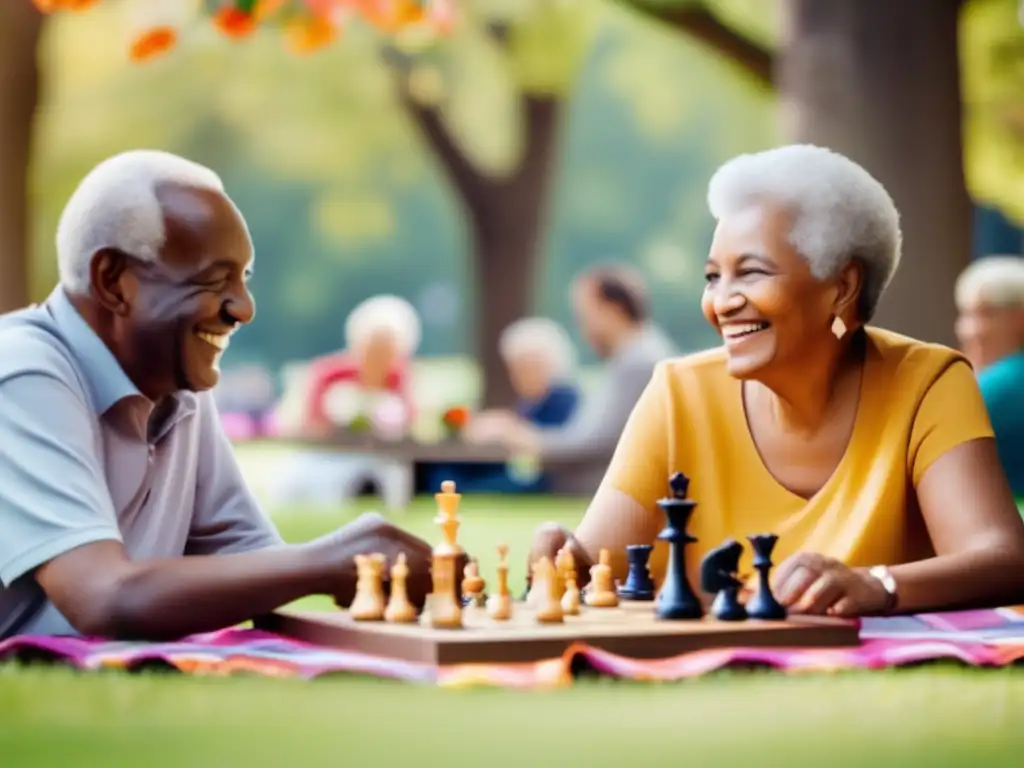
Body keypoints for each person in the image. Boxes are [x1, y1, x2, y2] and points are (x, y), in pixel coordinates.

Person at [530, 144, 1024, 618]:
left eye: (751, 273)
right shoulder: (678, 393)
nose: (722, 302)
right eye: (712, 277)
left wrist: (879, 584)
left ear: (842, 286)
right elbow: (590, 565)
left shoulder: (929, 385)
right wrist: (560, 556)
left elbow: (1004, 559)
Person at [0, 150, 434, 641]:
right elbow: (103, 596)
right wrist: (329, 562)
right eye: (214, 279)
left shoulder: (175, 381)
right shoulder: (20, 373)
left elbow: (250, 558)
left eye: (243, 279)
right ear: (112, 282)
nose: (243, 309)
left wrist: (365, 567)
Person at [465, 265, 678, 495]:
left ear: (613, 308)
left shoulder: (639, 361)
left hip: (602, 488)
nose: (581, 327)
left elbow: (593, 444)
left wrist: (517, 436)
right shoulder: (633, 356)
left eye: (585, 315)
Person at [268, 294, 422, 510]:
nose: (379, 356)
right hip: (330, 455)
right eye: (373, 347)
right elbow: (310, 422)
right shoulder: (330, 373)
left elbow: (411, 422)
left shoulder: (399, 378)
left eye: (387, 349)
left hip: (381, 458)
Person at [425, 316, 581, 493]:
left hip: (545, 481)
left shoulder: (564, 397)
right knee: (445, 471)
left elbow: (559, 445)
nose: (520, 376)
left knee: (456, 482)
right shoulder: (530, 400)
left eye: (527, 367)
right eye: (516, 369)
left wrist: (507, 429)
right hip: (517, 471)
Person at [954, 255, 1024, 496]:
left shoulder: (1001, 385)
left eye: (987, 314)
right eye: (966, 315)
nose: (970, 330)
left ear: (1021, 318)